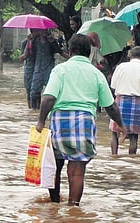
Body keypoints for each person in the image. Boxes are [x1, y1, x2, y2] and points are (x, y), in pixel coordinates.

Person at [36, 33, 127, 206]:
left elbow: (48, 98)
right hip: (84, 123)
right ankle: (73, 208)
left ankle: (54, 204)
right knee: (77, 172)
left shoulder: (60, 70)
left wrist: (41, 122)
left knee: (55, 166)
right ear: (88, 52)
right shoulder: (96, 73)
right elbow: (111, 106)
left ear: (70, 51)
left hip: (59, 124)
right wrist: (121, 125)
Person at [109, 46, 140, 155]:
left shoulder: (121, 67)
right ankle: (132, 160)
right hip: (137, 103)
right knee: (134, 137)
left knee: (115, 133)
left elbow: (113, 86)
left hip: (120, 101)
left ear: (129, 55)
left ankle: (114, 156)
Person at [28, 29, 69, 110]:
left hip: (49, 70)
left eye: (44, 30)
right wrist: (29, 42)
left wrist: (71, 58)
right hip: (38, 70)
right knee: (34, 92)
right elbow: (30, 55)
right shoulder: (34, 42)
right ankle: (34, 111)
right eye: (41, 31)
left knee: (51, 92)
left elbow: (59, 52)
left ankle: (51, 110)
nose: (43, 32)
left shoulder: (51, 41)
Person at [19, 31, 37, 109]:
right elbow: (22, 57)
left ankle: (36, 109)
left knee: (36, 91)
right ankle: (31, 109)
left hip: (38, 68)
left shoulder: (41, 42)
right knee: (28, 90)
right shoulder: (25, 42)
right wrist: (28, 43)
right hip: (29, 68)